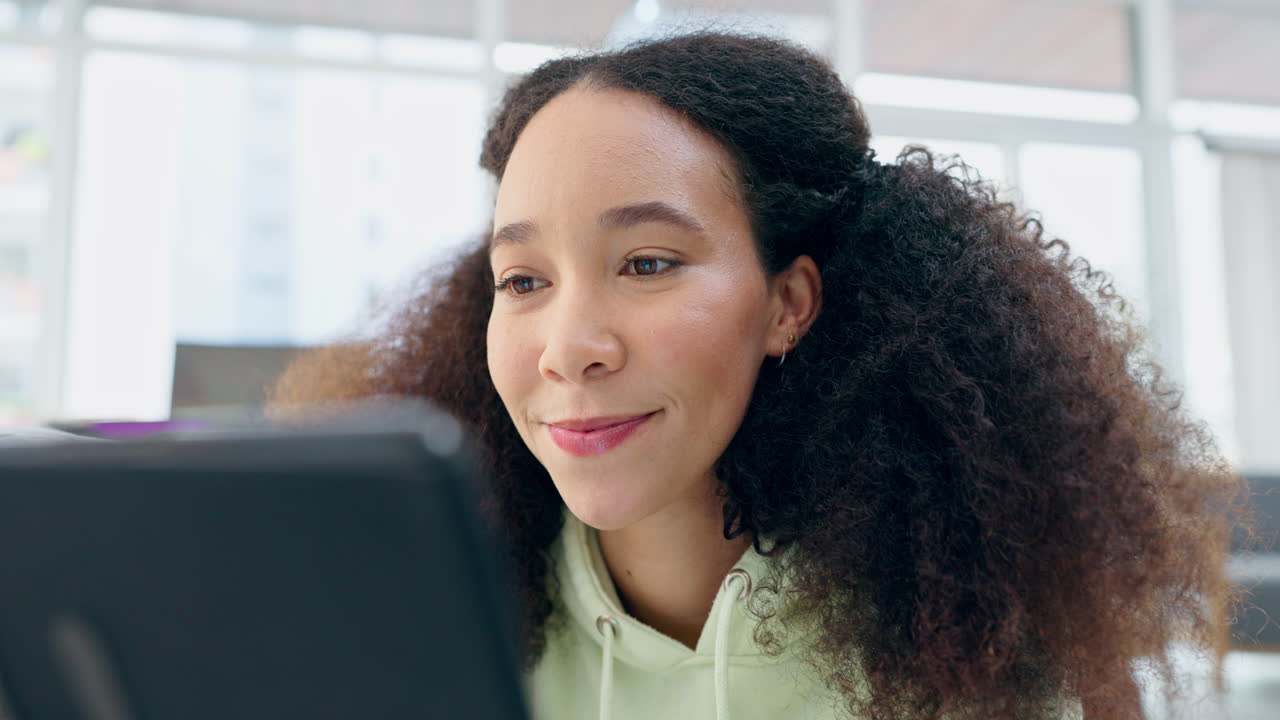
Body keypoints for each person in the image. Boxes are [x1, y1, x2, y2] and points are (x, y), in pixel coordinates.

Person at [270, 32, 1244, 720]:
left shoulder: (978, 648)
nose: (568, 347)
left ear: (788, 302)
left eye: (646, 263)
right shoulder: (418, 626)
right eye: (521, 280)